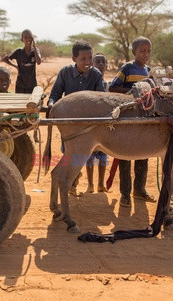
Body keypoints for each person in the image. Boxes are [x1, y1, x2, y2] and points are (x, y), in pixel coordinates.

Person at [48, 41, 105, 197]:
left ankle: (74, 179)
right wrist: (52, 105)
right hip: (70, 122)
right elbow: (55, 94)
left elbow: (101, 98)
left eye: (89, 58)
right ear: (74, 59)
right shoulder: (65, 72)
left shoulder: (96, 75)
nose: (87, 62)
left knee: (86, 153)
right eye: (83, 59)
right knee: (68, 152)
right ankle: (72, 182)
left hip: (88, 125)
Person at [109, 36, 156, 207]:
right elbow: (113, 87)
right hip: (128, 120)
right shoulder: (128, 68)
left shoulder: (149, 71)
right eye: (142, 51)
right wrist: (134, 92)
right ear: (134, 52)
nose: (146, 54)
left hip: (144, 121)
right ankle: (125, 194)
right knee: (125, 157)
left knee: (143, 156)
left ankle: (140, 190)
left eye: (148, 51)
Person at [85, 53, 109, 193]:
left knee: (103, 156)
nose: (100, 64)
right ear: (92, 65)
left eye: (103, 62)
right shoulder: (89, 84)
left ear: (106, 65)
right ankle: (90, 184)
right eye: (97, 62)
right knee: (89, 155)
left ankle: (101, 184)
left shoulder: (108, 85)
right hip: (91, 124)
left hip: (105, 125)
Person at [3, 29, 42, 93]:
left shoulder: (35, 51)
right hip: (20, 85)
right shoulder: (19, 51)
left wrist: (34, 47)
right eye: (25, 37)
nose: (28, 39)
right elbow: (5, 59)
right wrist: (15, 66)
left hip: (31, 85)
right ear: (22, 40)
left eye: (30, 37)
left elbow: (39, 62)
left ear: (33, 39)